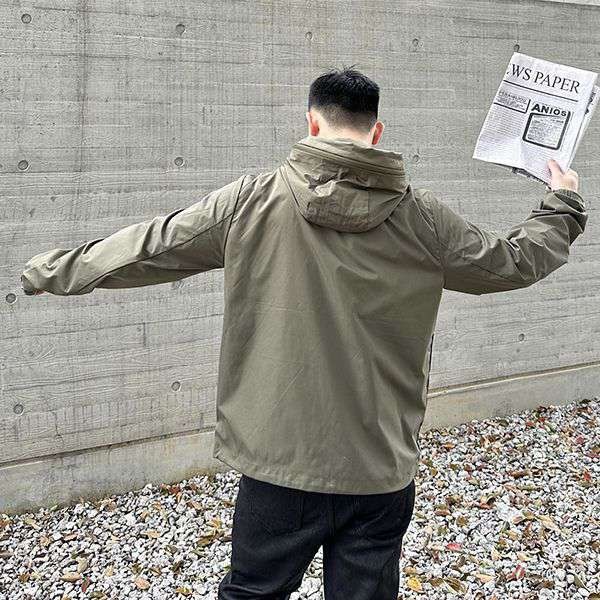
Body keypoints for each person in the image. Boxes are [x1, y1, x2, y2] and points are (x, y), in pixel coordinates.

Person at [21, 66, 587, 599]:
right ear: (377, 132)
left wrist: (51, 271)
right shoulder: (425, 219)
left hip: (279, 463)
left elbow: (151, 246)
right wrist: (560, 202)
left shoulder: (250, 201)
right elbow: (513, 262)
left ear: (312, 123)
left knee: (254, 592)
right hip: (377, 464)